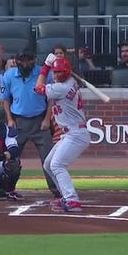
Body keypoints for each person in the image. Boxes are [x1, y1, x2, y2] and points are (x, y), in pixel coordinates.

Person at [1, 48, 61, 199]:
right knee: (10, 156)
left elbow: (51, 99)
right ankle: (3, 188)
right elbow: (6, 99)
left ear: (34, 59)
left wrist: (47, 119)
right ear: (17, 60)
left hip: (39, 121)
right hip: (18, 121)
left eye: (29, 60)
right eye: (22, 60)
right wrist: (9, 119)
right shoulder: (9, 75)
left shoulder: (42, 73)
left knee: (49, 158)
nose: (26, 63)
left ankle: (57, 189)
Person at [34, 56, 89, 212]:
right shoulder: (71, 81)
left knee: (57, 164)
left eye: (59, 73)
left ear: (66, 73)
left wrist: (45, 66)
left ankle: (72, 200)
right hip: (70, 133)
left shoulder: (62, 88)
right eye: (55, 72)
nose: (56, 75)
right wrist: (56, 64)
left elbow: (38, 88)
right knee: (48, 165)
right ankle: (66, 196)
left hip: (75, 134)